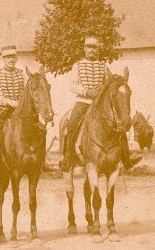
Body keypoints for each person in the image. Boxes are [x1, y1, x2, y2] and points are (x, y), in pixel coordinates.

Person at [58, 36, 142, 172]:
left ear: (98, 49)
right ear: (85, 48)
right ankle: (68, 157)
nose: (91, 50)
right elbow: (72, 85)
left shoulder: (103, 66)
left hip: (99, 103)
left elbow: (107, 85)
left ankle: (126, 157)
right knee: (72, 122)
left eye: (94, 47)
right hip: (83, 101)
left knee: (118, 124)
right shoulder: (77, 65)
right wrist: (86, 91)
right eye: (89, 47)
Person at [0, 45, 54, 172]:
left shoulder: (22, 75)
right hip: (3, 110)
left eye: (13, 57)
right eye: (7, 57)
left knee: (41, 129)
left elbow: (30, 92)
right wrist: (7, 101)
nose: (10, 60)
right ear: (2, 59)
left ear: (16, 58)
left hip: (22, 111)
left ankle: (42, 161)